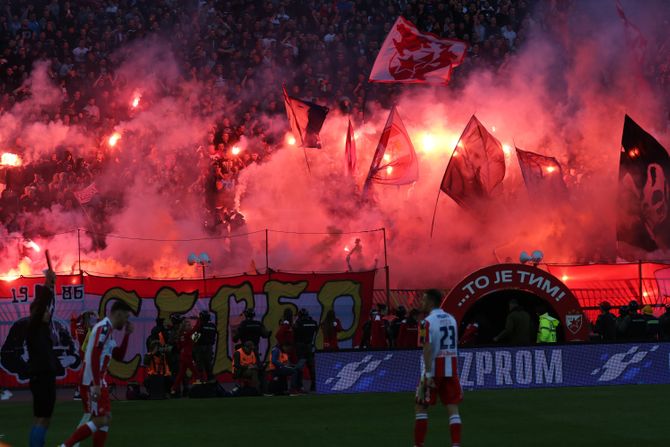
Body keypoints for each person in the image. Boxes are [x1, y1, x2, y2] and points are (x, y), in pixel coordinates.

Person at [59, 300, 133, 447]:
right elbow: (94, 355)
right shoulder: (104, 328)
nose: (126, 321)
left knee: (103, 419)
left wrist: (127, 335)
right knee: (101, 419)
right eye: (126, 317)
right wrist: (97, 384)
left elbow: (118, 355)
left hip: (95, 379)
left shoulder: (107, 329)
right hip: (92, 380)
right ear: (118, 313)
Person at [413, 289, 462, 447]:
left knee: (421, 407)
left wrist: (427, 373)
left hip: (433, 369)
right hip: (450, 367)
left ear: (431, 302)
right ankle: (456, 444)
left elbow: (426, 347)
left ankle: (418, 444)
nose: (422, 302)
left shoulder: (425, 322)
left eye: (424, 299)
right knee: (452, 407)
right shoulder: (452, 319)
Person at [27, 269, 58, 447]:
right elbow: (40, 306)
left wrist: (51, 286)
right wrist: (47, 283)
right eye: (46, 310)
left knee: (43, 418)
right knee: (43, 418)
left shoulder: (42, 330)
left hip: (43, 375)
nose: (48, 312)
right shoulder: (34, 327)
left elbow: (45, 303)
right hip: (42, 377)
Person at [170, 317, 202, 397]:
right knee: (194, 370)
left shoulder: (181, 335)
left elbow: (179, 346)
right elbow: (196, 328)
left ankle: (174, 389)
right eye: (188, 325)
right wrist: (198, 319)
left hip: (183, 356)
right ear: (184, 326)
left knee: (180, 374)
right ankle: (199, 382)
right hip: (187, 356)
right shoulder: (187, 334)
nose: (190, 326)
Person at [293, 308, 319, 392]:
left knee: (299, 367)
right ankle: (314, 386)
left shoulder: (298, 323)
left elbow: (294, 331)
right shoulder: (313, 323)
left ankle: (299, 386)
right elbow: (316, 330)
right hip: (310, 346)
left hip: (301, 347)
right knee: (311, 366)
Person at [193, 311, 217, 382]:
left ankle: (200, 383)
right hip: (209, 348)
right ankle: (211, 382)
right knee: (209, 367)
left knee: (199, 367)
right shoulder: (213, 326)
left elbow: (194, 338)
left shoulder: (200, 326)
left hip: (200, 349)